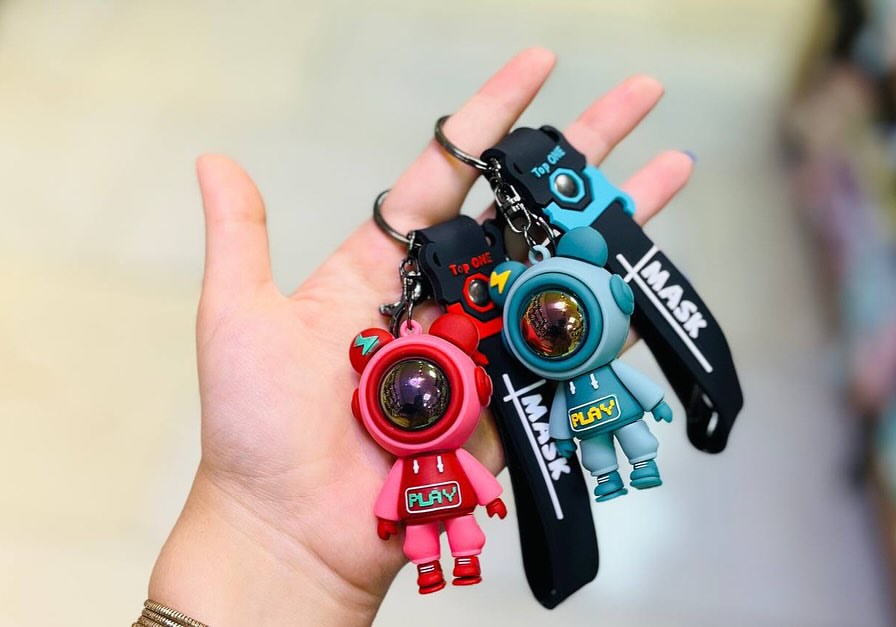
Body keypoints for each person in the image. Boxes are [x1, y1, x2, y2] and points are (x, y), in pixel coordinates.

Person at [142, 47, 693, 626]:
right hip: (437, 477)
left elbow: (551, 427)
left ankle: (631, 470)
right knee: (443, 535)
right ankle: (446, 562)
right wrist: (274, 532)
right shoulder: (414, 432)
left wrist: (570, 435)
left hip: (545, 401)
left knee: (608, 450)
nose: (417, 398)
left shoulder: (525, 334)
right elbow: (457, 481)